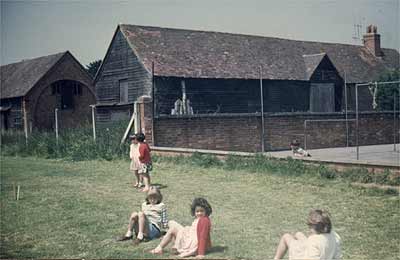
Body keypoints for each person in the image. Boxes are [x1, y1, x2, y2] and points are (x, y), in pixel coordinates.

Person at [273, 209, 342, 260]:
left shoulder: (313, 240)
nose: (309, 229)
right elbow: (337, 257)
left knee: (286, 237)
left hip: (303, 256)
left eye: (309, 225)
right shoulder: (335, 236)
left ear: (315, 227)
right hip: (320, 253)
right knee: (298, 234)